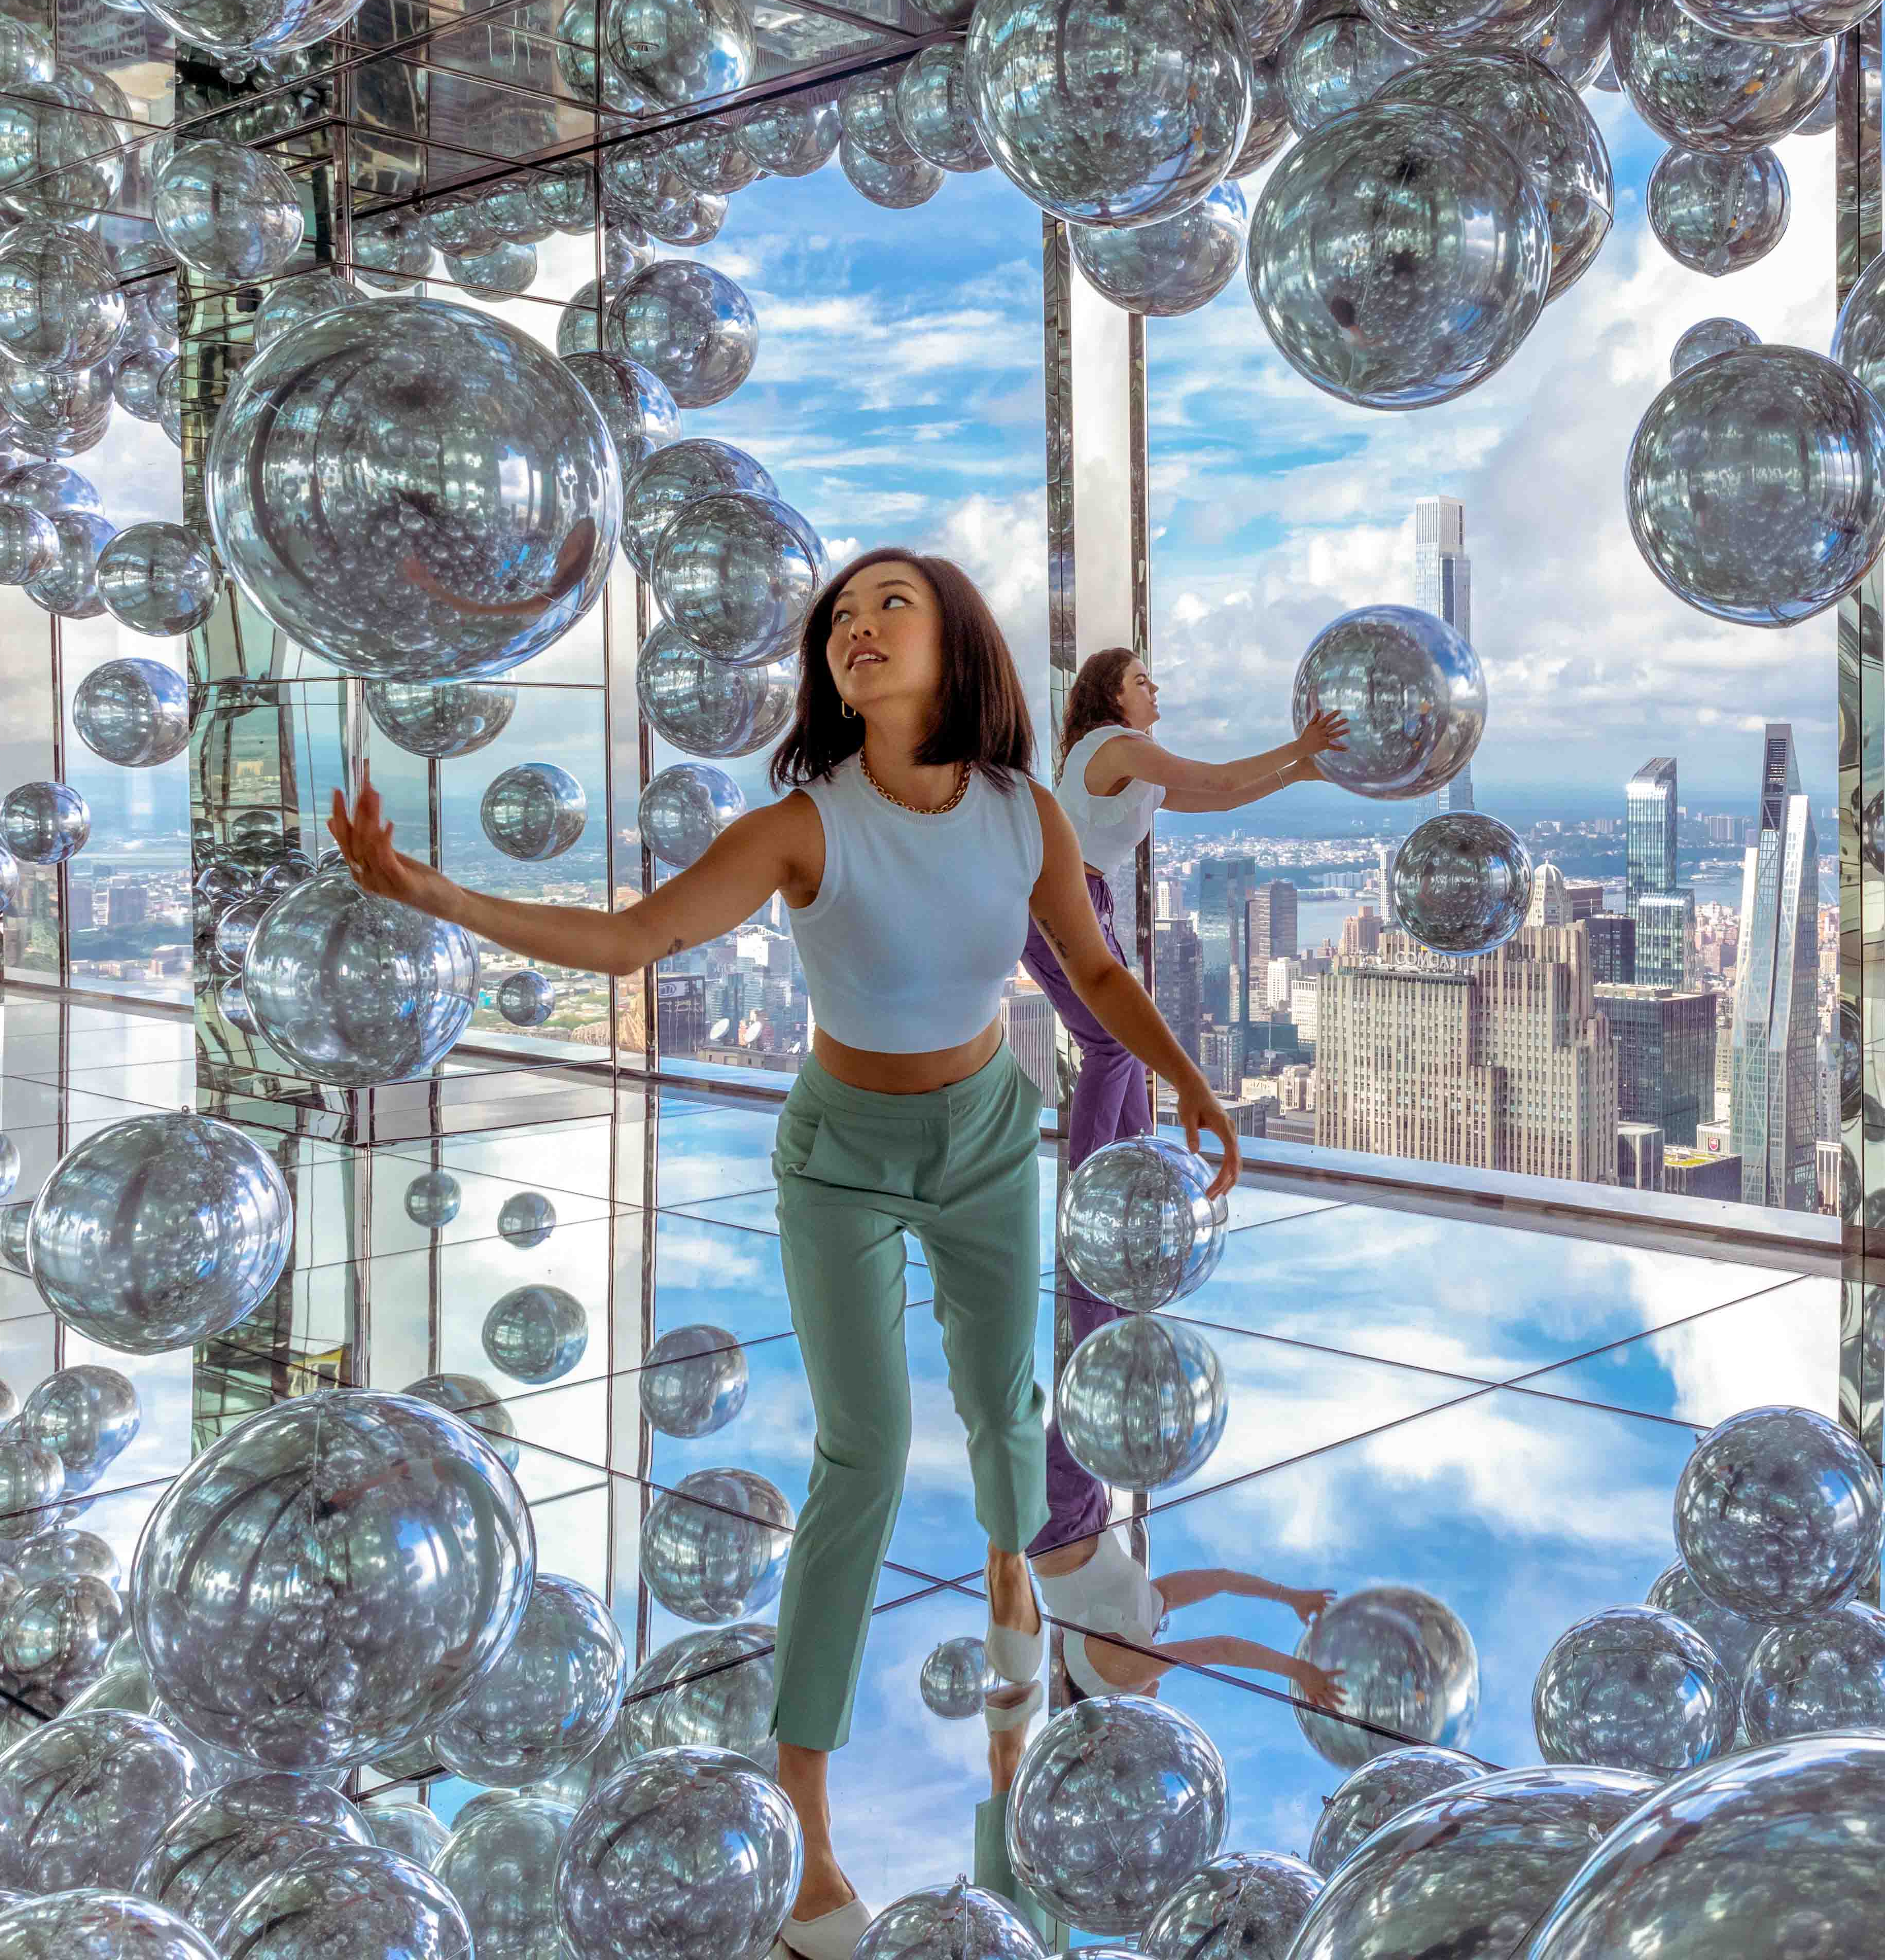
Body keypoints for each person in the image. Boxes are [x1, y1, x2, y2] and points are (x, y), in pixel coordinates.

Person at [328, 549, 1239, 1959]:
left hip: (989, 1136)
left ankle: (1015, 1579)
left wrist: (1185, 1077)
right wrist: (434, 895)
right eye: (840, 616)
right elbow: (633, 939)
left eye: (893, 605)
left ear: (960, 647)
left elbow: (1099, 974)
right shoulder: (805, 825)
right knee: (863, 1454)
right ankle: (804, 1804)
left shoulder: (1026, 815)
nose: (855, 629)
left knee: (1008, 1410)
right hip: (843, 1157)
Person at [1021, 646, 1343, 1548]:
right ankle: (1097, 1201)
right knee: (1109, 1047)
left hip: (1079, 902)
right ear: (1111, 697)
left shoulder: (1125, 766)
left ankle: (1118, 1187)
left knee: (1113, 1050)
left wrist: (1298, 766)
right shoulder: (1115, 745)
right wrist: (1297, 741)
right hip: (1065, 902)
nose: (1155, 690)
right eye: (1143, 679)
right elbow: (1208, 773)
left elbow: (1220, 795)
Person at [1032, 1523, 1350, 1712]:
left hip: (1059, 1526)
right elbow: (1220, 1580)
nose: (1157, 1697)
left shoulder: (1119, 1677)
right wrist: (1290, 1596)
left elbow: (1218, 1649)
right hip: (1085, 1512)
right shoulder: (1137, 1620)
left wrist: (1298, 1671)